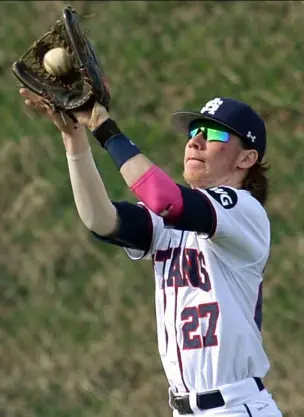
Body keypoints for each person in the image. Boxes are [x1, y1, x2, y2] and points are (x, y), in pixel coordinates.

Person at [19, 89, 283, 417]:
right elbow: (101, 220)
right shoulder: (173, 222)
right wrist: (75, 139)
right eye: (193, 132)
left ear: (246, 159)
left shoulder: (244, 211)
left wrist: (103, 126)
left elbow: (164, 199)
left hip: (235, 407)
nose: (195, 141)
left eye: (214, 133)